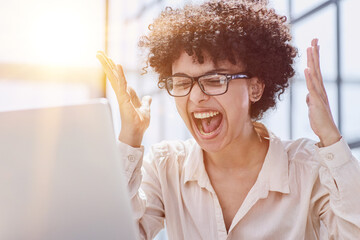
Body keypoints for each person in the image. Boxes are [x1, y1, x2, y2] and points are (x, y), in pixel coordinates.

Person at [97, 0, 360, 239]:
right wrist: (130, 137)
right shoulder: (166, 167)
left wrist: (330, 139)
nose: (196, 97)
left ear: (255, 88)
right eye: (182, 83)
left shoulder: (307, 168)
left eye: (214, 81)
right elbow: (112, 234)